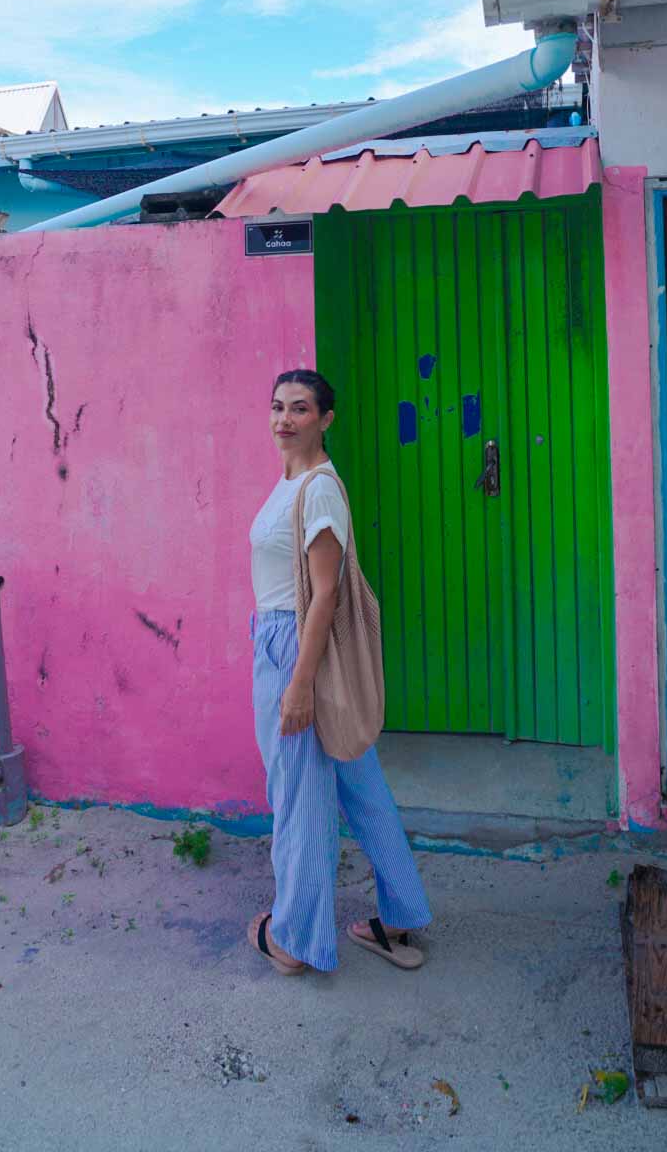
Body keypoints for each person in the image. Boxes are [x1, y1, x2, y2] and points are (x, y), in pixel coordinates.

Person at [247, 368, 432, 975]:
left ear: (325, 419)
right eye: (278, 406)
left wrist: (299, 684)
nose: (285, 418)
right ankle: (400, 914)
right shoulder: (292, 481)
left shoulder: (319, 489)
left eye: (300, 408)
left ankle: (294, 942)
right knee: (361, 787)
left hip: (295, 650)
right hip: (292, 643)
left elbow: (324, 593)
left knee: (299, 800)